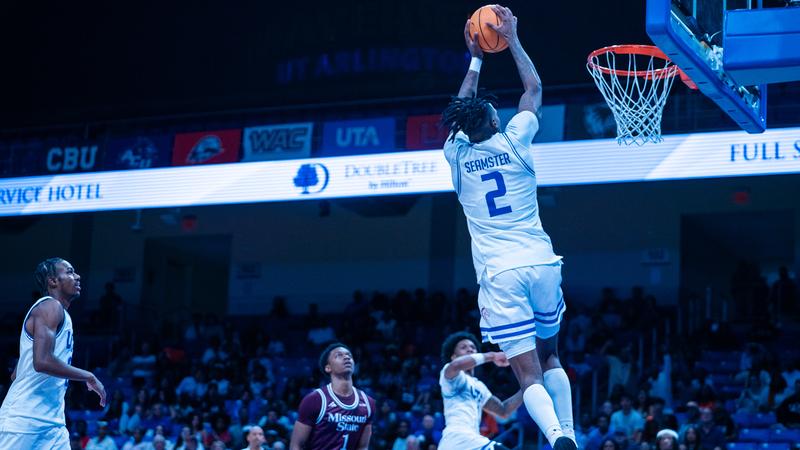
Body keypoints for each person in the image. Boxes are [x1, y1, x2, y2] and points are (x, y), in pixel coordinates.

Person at [441, 5, 574, 449]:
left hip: (500, 274)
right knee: (551, 352)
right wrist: (512, 39)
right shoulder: (516, 139)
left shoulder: (457, 155)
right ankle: (569, 431)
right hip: (540, 260)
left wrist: (475, 57)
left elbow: (462, 108)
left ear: (465, 129)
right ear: (496, 121)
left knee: (526, 371)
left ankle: (555, 435)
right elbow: (533, 88)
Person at [0, 258, 107, 448]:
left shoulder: (60, 314)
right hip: (24, 422)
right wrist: (88, 376)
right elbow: (41, 362)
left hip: (53, 424)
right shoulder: (50, 306)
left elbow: (16, 373)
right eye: (70, 272)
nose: (77, 276)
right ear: (53, 281)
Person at [437, 332, 523, 450]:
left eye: (473, 347)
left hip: (467, 441)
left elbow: (503, 411)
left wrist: (527, 387)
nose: (470, 349)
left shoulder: (479, 386)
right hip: (458, 437)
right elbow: (456, 365)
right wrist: (493, 356)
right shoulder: (449, 373)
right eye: (463, 347)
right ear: (453, 356)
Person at [290, 343, 375, 449]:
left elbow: (362, 447)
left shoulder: (368, 403)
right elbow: (296, 445)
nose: (347, 357)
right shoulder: (315, 399)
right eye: (339, 355)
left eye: (349, 355)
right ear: (328, 368)